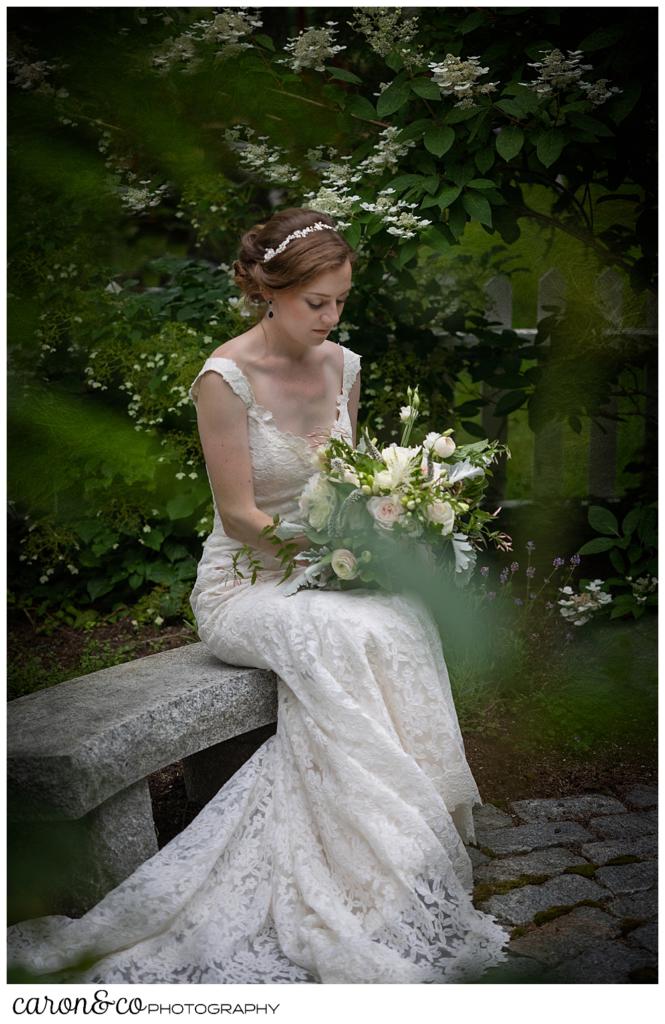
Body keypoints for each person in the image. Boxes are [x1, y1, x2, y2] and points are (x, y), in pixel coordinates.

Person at [7, 208, 509, 984]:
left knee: (400, 617)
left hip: (329, 566)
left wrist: (380, 535)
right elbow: (240, 517)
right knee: (345, 636)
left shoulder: (344, 365)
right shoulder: (224, 379)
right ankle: (354, 853)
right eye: (318, 302)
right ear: (269, 291)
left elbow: (348, 476)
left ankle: (399, 847)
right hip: (250, 582)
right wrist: (341, 553)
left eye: (341, 300)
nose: (332, 316)